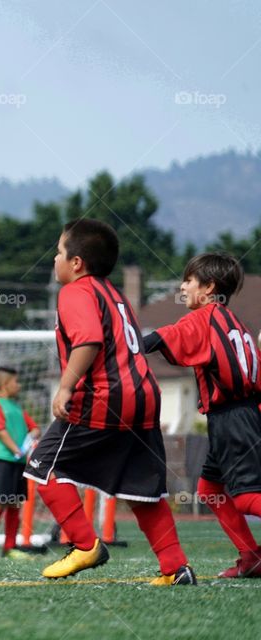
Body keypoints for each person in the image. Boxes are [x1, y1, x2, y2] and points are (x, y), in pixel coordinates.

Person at [24, 218, 195, 585]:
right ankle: (176, 567)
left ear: (76, 263)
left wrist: (66, 386)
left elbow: (88, 341)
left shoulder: (75, 292)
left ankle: (85, 545)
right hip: (146, 398)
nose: (54, 259)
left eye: (58, 252)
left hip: (105, 396)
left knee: (42, 465)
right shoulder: (114, 295)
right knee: (142, 492)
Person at [144, 252, 261, 578]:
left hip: (232, 420)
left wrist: (127, 348)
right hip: (242, 416)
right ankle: (252, 557)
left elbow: (166, 336)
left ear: (209, 287)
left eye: (189, 281)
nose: (182, 286)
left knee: (248, 498)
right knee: (210, 489)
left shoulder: (205, 317)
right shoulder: (237, 323)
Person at [0, 366, 40, 559]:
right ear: (5, 384)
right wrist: (16, 449)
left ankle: (10, 547)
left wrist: (33, 433)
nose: (19, 385)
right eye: (16, 381)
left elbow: (34, 428)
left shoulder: (17, 407)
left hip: (19, 461)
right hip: (2, 460)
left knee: (15, 504)